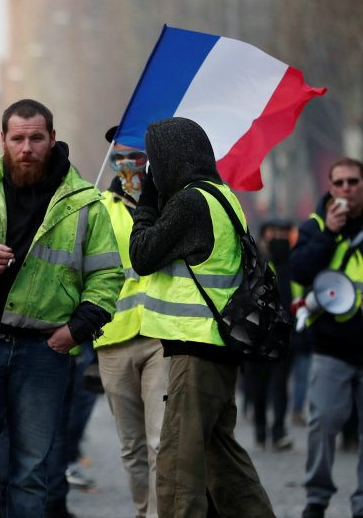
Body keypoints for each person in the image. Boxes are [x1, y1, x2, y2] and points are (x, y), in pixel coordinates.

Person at [0, 99, 124, 517]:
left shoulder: (85, 203)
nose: (27, 147)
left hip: (45, 351)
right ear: (3, 140)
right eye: (18, 138)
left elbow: (107, 277)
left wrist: (77, 330)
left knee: (33, 469)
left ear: (53, 138)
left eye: (36, 138)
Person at [129, 116, 273, 518]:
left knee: (179, 468)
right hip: (218, 347)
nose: (152, 169)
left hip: (197, 351)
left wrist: (147, 196)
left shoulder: (190, 203)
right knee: (223, 463)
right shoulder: (221, 195)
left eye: (154, 160)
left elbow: (142, 254)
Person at [92, 127, 166, 518]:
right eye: (118, 155)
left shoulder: (169, 204)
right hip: (113, 339)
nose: (126, 163)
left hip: (160, 336)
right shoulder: (97, 207)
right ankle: (143, 510)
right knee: (131, 446)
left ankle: (157, 514)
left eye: (135, 155)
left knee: (159, 440)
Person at [290, 157, 363, 518]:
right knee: (323, 424)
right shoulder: (314, 226)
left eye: (353, 182)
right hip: (331, 345)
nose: (347, 189)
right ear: (330, 187)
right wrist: (330, 235)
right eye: (340, 183)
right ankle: (317, 498)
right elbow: (299, 270)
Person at [243, 218, 295, 452]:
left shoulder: (291, 264)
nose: (277, 238)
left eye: (281, 233)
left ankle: (279, 431)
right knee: (259, 387)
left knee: (280, 386)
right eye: (272, 232)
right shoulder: (254, 263)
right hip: (258, 336)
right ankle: (261, 429)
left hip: (282, 335)